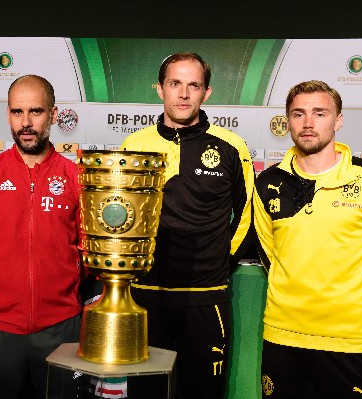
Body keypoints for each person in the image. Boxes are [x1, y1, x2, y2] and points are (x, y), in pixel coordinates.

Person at [253, 80, 362, 398]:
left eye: (320, 113)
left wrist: (360, 304)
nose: (308, 123)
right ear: (288, 121)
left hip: (348, 341)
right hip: (282, 338)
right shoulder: (269, 181)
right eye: (298, 114)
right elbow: (269, 254)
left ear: (338, 120)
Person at [120, 52, 255, 399]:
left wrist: (220, 262)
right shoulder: (133, 145)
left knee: (204, 394)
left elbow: (247, 215)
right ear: (159, 89)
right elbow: (120, 216)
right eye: (175, 84)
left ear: (206, 93)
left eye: (193, 85)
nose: (183, 94)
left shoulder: (231, 147)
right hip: (145, 296)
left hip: (205, 299)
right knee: (145, 393)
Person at [0, 74, 85, 399]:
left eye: (36, 112)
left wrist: (64, 294)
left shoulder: (77, 179)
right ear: (8, 114)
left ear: (54, 115)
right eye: (17, 112)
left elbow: (86, 254)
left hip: (62, 328)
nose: (25, 123)